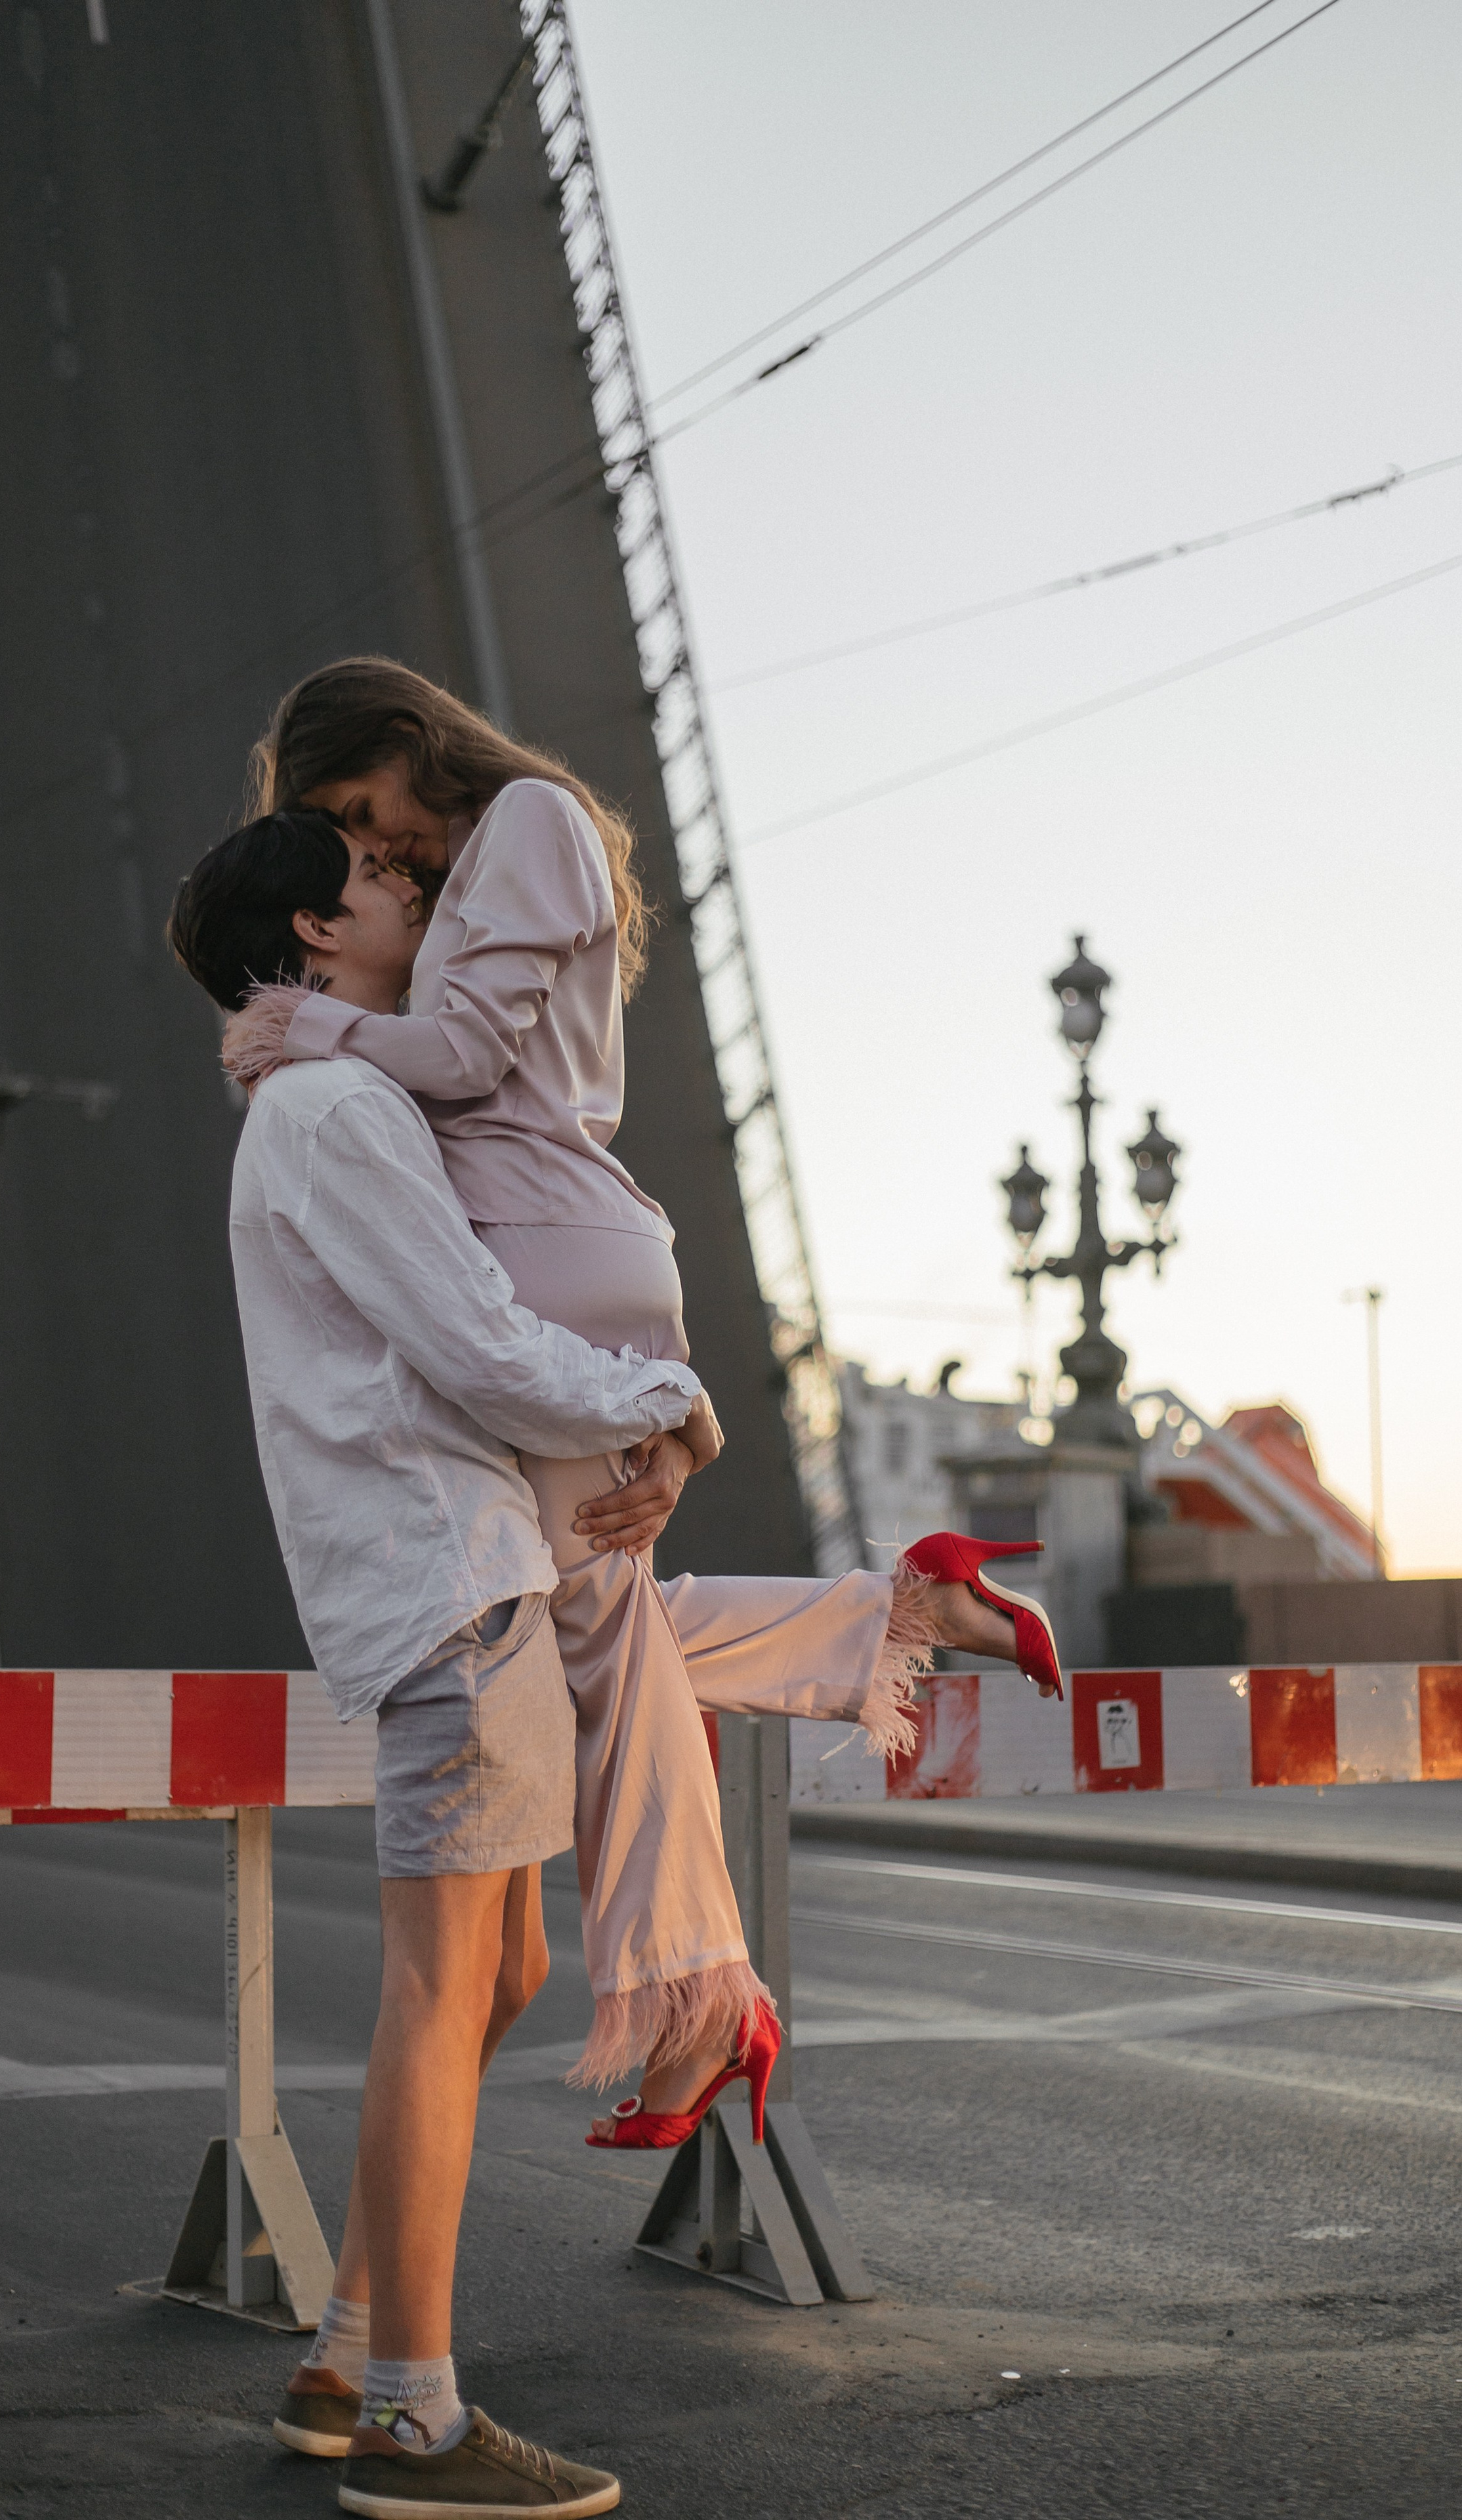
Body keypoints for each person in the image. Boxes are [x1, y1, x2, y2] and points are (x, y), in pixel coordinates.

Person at [219, 657, 1062, 2151]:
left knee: (602, 1651)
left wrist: (304, 1026)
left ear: (412, 744)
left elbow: (466, 1061)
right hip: (547, 1241)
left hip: (543, 1248)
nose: (372, 846)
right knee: (594, 1623)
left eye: (358, 807)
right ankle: (905, 1614)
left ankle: (701, 2009)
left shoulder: (529, 819)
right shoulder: (480, 861)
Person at [169, 812, 721, 2513]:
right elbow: (478, 1347)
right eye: (372, 874)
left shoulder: (320, 1105)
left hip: (459, 1580)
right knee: (436, 1987)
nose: (406, 882)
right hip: (448, 1578)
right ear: (313, 934)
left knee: (504, 1972)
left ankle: (348, 2352)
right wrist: (666, 1401)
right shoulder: (340, 1111)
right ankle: (413, 2419)